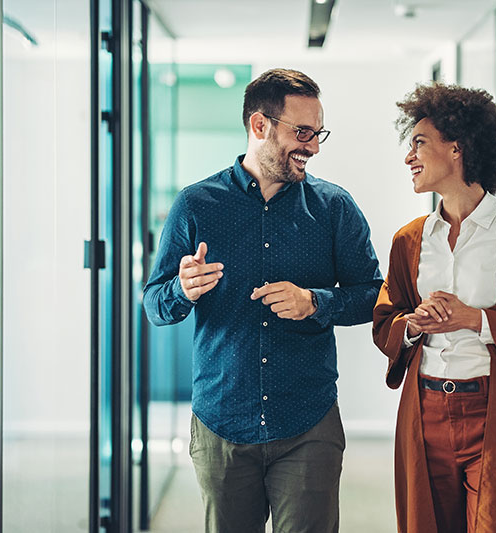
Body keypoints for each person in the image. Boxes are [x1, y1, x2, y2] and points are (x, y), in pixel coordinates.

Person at [144, 68, 383, 533]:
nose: (313, 146)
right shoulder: (196, 205)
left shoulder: (335, 208)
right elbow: (155, 303)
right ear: (259, 126)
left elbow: (374, 296)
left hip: (307, 422)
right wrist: (182, 289)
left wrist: (316, 302)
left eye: (318, 134)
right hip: (221, 422)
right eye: (302, 132)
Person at [372, 83, 496, 533]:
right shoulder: (410, 240)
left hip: (494, 412)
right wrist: (413, 324)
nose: (410, 157)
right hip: (425, 414)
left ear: (457, 148)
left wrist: (474, 319)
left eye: (419, 143)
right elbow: (387, 319)